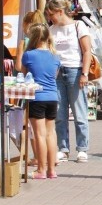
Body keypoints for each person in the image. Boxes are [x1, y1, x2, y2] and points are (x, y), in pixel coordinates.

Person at [45, 0, 92, 163]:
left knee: (79, 112)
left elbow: (87, 51)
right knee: (60, 113)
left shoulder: (78, 26)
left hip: (75, 70)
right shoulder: (51, 30)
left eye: (51, 14)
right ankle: (63, 148)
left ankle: (82, 148)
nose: (50, 18)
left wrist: (84, 74)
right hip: (57, 72)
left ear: (60, 11)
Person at [21, 23, 60, 180]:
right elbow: (54, 76)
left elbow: (23, 74)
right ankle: (51, 170)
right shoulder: (55, 56)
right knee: (51, 133)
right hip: (52, 97)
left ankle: (41, 170)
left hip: (37, 96)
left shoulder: (29, 55)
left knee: (39, 134)